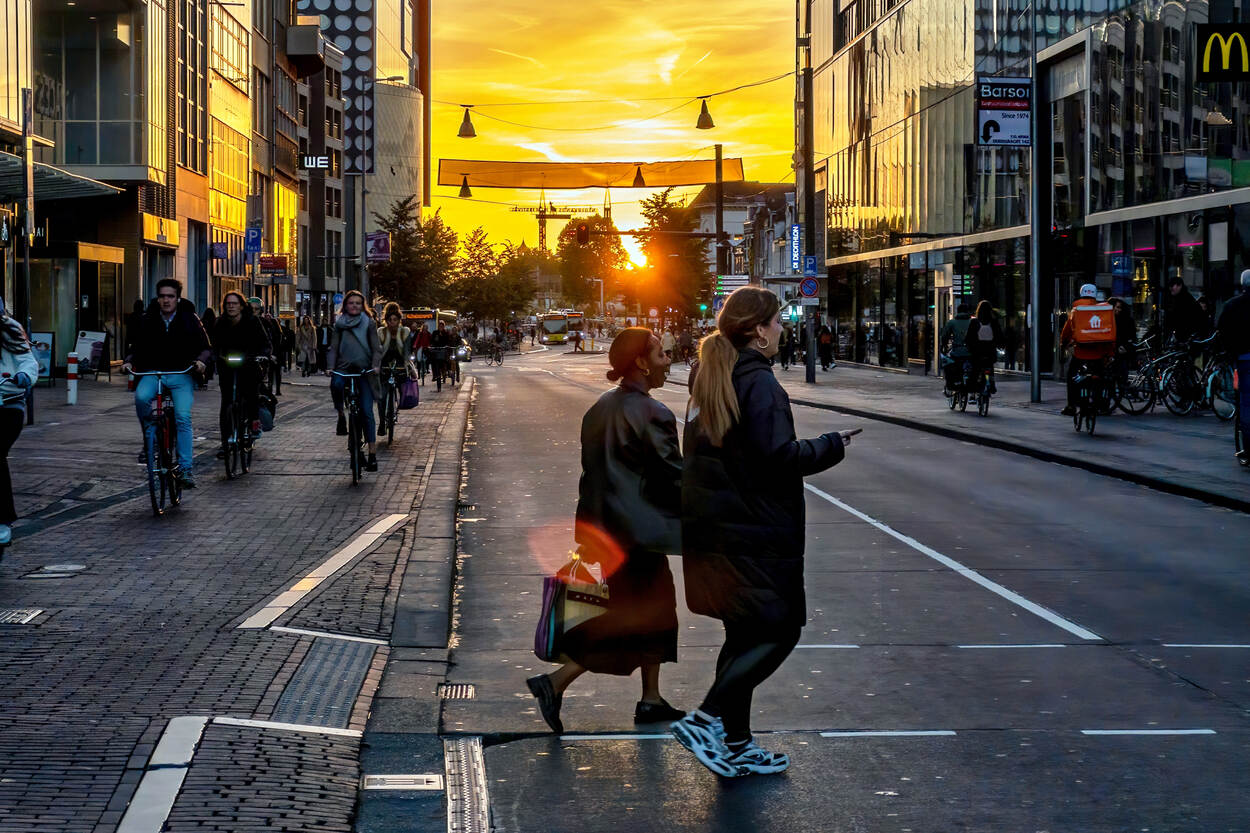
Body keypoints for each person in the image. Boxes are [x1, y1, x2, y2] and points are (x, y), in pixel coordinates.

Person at [673, 286, 856, 778]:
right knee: (779, 631)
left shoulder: (712, 377)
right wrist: (830, 445)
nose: (781, 329)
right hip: (756, 533)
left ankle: (736, 743)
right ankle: (708, 718)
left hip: (719, 532)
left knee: (743, 637)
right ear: (757, 330)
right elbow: (778, 459)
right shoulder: (759, 385)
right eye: (775, 322)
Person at [526, 328, 684, 733]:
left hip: (600, 531)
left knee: (654, 612)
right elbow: (672, 477)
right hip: (639, 536)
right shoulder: (656, 414)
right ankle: (554, 682)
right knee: (631, 617)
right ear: (643, 363)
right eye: (662, 355)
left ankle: (651, 698)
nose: (669, 361)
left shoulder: (598, 408)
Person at [122, 278, 211, 488]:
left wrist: (200, 362)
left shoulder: (190, 319)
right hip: (153, 372)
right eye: (162, 296)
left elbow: (206, 347)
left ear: (177, 298)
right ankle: (149, 441)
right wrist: (128, 362)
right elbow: (137, 347)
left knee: (182, 417)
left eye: (170, 296)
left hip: (181, 373)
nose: (166, 300)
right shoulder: (148, 319)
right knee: (141, 398)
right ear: (157, 298)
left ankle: (186, 469)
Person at [212, 292, 271, 458]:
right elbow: (214, 344)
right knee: (227, 403)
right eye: (228, 304)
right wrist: (214, 356)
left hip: (249, 364)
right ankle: (225, 443)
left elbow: (264, 343)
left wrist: (263, 355)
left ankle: (254, 424)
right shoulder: (220, 323)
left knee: (251, 394)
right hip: (227, 366)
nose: (231, 306)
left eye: (234, 303)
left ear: (241, 306)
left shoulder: (252, 322)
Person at [328, 290, 382, 471]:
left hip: (364, 371)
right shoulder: (339, 324)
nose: (354, 306)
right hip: (343, 370)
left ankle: (372, 454)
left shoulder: (369, 323)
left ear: (363, 305)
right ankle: (341, 415)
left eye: (358, 303)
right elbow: (333, 347)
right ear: (345, 305)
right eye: (351, 303)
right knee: (335, 385)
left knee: (366, 412)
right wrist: (330, 366)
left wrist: (375, 365)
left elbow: (376, 348)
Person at [0, 296, 38, 548]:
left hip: (7, 405)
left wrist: (24, 375)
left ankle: (2, 521)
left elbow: (28, 360)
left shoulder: (10, 329)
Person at [1059, 283, 1118, 416]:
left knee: (1072, 376)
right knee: (1101, 377)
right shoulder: (1103, 311)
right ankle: (1102, 404)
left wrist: (1063, 344)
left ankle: (1071, 406)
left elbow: (1066, 332)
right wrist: (1110, 352)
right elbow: (1111, 332)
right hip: (1099, 353)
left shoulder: (1076, 310)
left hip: (1080, 353)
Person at [1215, 269, 1250, 460]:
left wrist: (1230, 352)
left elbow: (1222, 331)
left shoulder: (1232, 306)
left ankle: (1248, 448)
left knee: (1246, 404)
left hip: (1244, 359)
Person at [377, 303, 411, 435]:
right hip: (384, 364)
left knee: (403, 388)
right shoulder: (381, 332)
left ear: (399, 320)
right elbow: (378, 350)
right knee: (382, 397)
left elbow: (407, 350)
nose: (392, 323)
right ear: (386, 321)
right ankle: (381, 422)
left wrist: (407, 363)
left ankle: (396, 409)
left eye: (395, 320)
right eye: (390, 320)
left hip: (400, 363)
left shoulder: (404, 331)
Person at [963, 300, 1002, 394]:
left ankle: (972, 390)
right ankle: (991, 385)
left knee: (975, 370)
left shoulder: (974, 322)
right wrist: (1000, 344)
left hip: (977, 352)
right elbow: (999, 336)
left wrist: (969, 347)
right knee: (990, 368)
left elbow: (968, 337)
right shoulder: (994, 322)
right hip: (990, 351)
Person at [249, 299, 283, 396]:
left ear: (261, 310)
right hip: (245, 357)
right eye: (251, 309)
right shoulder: (241, 322)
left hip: (260, 357)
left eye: (256, 309)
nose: (254, 311)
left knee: (260, 380)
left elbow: (270, 340)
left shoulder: (265, 323)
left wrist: (269, 353)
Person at [940, 302, 975, 394]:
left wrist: (943, 346)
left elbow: (945, 336)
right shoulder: (974, 322)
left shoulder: (952, 322)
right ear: (968, 312)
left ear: (957, 311)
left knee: (952, 365)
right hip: (972, 352)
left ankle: (954, 384)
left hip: (957, 352)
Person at [1163, 276, 1206, 346]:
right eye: (1170, 286)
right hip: (1184, 338)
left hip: (1187, 339)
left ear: (1180, 286)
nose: (1170, 288)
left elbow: (1185, 320)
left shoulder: (1185, 300)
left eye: (1172, 286)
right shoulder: (1178, 298)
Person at [199, 307, 217, 389]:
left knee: (203, 363)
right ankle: (206, 380)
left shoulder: (202, 322)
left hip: (204, 346)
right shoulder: (215, 322)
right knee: (210, 364)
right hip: (213, 346)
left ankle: (201, 381)